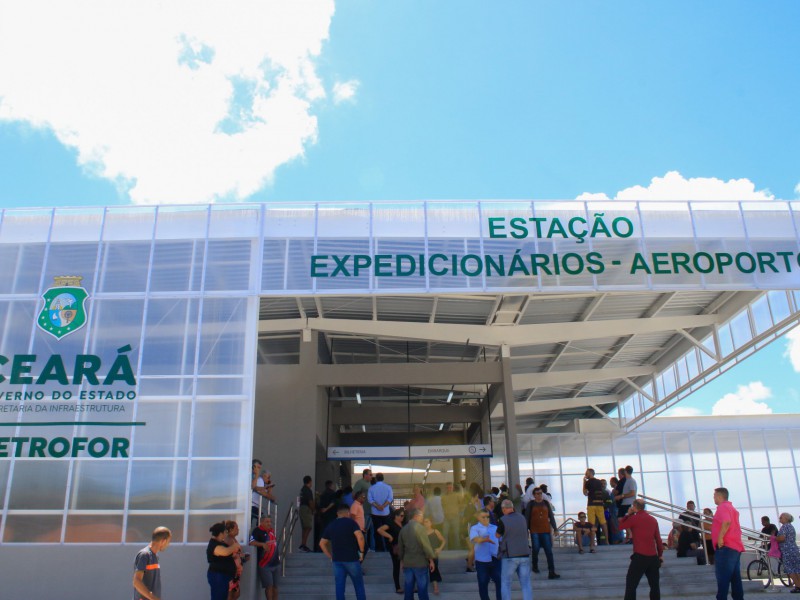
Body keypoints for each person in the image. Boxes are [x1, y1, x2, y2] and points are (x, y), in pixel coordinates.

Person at [618, 499, 663, 600]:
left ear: (634, 507)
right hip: (653, 557)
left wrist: (628, 514)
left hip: (640, 556)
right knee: (655, 586)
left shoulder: (634, 518)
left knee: (631, 585)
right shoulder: (653, 519)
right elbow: (658, 539)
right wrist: (660, 555)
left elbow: (620, 526)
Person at [320, 504, 366, 600]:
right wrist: (361, 552)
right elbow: (360, 537)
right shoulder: (352, 523)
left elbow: (322, 543)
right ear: (348, 513)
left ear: (337, 514)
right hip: (352, 559)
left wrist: (330, 556)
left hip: (337, 560)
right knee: (359, 586)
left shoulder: (331, 525)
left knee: (339, 588)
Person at [711, 487, 745, 600]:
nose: (713, 497)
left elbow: (726, 522)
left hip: (726, 547)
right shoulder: (731, 508)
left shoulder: (722, 507)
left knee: (723, 578)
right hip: (735, 547)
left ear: (720, 496)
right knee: (735, 578)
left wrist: (720, 538)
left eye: (714, 495)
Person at [496, 499, 532, 600]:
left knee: (506, 584)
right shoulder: (522, 518)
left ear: (503, 509)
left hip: (510, 556)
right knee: (526, 584)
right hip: (524, 554)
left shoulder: (503, 519)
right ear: (512, 507)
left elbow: (497, 535)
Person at [398, 508, 437, 600]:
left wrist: (402, 561)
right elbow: (426, 545)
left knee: (408, 589)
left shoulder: (403, 529)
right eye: (421, 516)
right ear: (416, 516)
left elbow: (400, 548)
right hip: (420, 563)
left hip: (408, 563)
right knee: (422, 590)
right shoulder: (420, 528)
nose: (422, 519)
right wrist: (431, 560)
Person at [526, 487, 560, 577]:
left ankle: (551, 571)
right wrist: (526, 530)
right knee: (536, 549)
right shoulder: (531, 504)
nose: (539, 495)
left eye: (540, 493)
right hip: (535, 530)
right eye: (537, 494)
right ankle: (535, 566)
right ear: (534, 495)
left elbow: (551, 516)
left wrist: (555, 528)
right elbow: (527, 517)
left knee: (548, 551)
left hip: (545, 530)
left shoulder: (546, 503)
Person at [132, 526, 171, 600]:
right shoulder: (144, 555)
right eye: (168, 542)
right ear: (163, 541)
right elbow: (136, 581)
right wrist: (152, 598)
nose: (168, 545)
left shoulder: (155, 556)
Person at [470, 509, 501, 600]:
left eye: (487, 517)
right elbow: (475, 539)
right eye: (483, 517)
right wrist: (484, 540)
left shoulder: (495, 528)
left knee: (500, 582)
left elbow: (501, 540)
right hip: (482, 561)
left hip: (495, 559)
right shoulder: (474, 528)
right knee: (483, 583)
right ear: (478, 518)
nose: (486, 519)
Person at [207, 522, 242, 600]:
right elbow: (225, 552)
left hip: (225, 576)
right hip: (218, 576)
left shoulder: (221, 543)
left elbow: (230, 555)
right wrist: (235, 546)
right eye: (225, 532)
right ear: (220, 533)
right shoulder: (213, 544)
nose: (226, 534)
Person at [250, 515, 280, 600]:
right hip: (265, 564)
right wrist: (262, 544)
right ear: (261, 522)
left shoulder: (271, 531)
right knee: (269, 586)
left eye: (270, 522)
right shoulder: (257, 531)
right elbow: (251, 542)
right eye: (267, 522)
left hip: (276, 563)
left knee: (276, 586)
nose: (269, 523)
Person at [377, 508, 406, 594]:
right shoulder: (391, 523)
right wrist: (389, 536)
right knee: (396, 566)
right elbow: (380, 530)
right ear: (396, 516)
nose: (403, 517)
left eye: (404, 515)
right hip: (395, 547)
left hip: (405, 547)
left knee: (408, 566)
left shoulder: (403, 523)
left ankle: (410, 585)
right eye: (401, 515)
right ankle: (398, 587)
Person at [583, 468, 610, 546]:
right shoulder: (599, 482)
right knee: (603, 522)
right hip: (599, 504)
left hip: (591, 504)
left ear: (590, 473)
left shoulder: (588, 482)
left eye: (587, 473)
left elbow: (585, 493)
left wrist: (584, 483)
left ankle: (592, 543)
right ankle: (607, 541)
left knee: (592, 524)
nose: (586, 475)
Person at [368, 472, 394, 552]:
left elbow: (370, 500)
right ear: (383, 478)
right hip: (385, 512)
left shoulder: (371, 488)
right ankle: (388, 547)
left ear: (376, 478)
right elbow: (390, 499)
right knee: (386, 530)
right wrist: (383, 506)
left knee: (377, 531)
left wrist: (377, 506)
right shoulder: (388, 487)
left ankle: (379, 548)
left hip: (375, 513)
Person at [775, 512, 800, 592]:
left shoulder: (784, 527)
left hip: (787, 550)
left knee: (790, 569)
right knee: (796, 568)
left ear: (786, 518)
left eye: (781, 517)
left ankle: (797, 586)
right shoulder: (791, 526)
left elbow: (782, 538)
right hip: (793, 549)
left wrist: (775, 538)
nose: (780, 519)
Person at [223, 520, 248, 600]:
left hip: (236, 572)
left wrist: (243, 557)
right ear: (230, 530)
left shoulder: (233, 539)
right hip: (230, 571)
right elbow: (226, 554)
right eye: (236, 528)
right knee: (230, 594)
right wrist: (239, 556)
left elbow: (237, 553)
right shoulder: (228, 540)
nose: (238, 530)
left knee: (236, 594)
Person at [424, 517, 446, 595]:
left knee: (433, 569)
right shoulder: (422, 532)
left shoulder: (435, 531)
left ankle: (436, 587)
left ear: (431, 523)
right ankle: (437, 580)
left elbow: (443, 540)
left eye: (427, 521)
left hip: (434, 553)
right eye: (424, 522)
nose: (426, 523)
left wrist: (440, 548)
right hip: (425, 553)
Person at [352, 468, 373, 551]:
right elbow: (354, 494)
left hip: (370, 510)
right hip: (364, 511)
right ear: (365, 475)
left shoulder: (369, 484)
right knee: (364, 530)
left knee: (370, 531)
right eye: (370, 474)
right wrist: (359, 504)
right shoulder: (360, 483)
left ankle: (371, 547)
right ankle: (364, 548)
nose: (371, 476)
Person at [616, 466, 638, 543]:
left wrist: (622, 496)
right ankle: (629, 536)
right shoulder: (627, 480)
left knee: (624, 519)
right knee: (621, 518)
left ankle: (630, 535)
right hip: (624, 503)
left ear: (625, 471)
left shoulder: (631, 481)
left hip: (629, 503)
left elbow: (633, 493)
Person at [252, 459, 275, 527]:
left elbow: (268, 495)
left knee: (259, 519)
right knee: (262, 519)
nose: (269, 479)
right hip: (253, 505)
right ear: (264, 476)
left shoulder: (261, 482)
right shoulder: (260, 480)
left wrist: (270, 488)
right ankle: (258, 533)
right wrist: (272, 497)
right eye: (268, 477)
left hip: (255, 506)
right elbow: (264, 494)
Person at [441, 482, 462, 549]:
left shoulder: (457, 495)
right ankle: (445, 550)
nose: (449, 489)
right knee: (445, 534)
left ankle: (457, 550)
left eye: (450, 487)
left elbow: (462, 505)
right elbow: (442, 506)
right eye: (448, 487)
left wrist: (458, 511)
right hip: (446, 518)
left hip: (455, 517)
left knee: (456, 534)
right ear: (446, 488)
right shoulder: (443, 497)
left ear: (453, 488)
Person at [349, 490, 368, 562]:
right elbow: (352, 518)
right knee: (363, 548)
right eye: (363, 497)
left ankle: (357, 564)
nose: (364, 498)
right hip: (357, 531)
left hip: (361, 530)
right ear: (358, 497)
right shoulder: (355, 505)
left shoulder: (359, 505)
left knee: (362, 548)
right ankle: (357, 564)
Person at [298, 475, 315, 552]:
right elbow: (310, 501)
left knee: (305, 527)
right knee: (308, 527)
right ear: (310, 481)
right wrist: (313, 510)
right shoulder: (308, 490)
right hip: (306, 509)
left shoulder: (302, 489)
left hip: (302, 508)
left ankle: (303, 544)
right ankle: (303, 545)